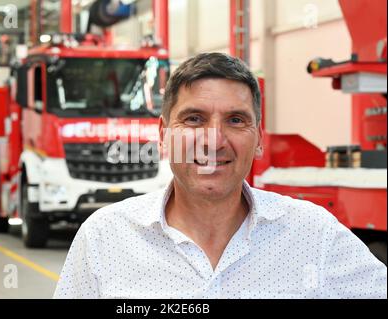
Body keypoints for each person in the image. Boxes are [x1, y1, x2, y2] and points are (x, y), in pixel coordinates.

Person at [54, 52, 387, 299]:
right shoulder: (105, 238)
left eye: (236, 120)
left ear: (258, 138)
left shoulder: (316, 235)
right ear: (164, 135)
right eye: (194, 119)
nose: (214, 140)